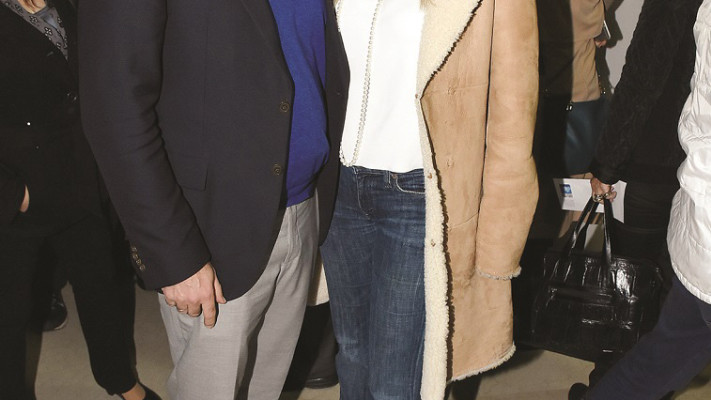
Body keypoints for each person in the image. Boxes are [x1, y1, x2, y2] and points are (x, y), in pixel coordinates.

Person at [77, 0, 349, 398]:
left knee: (265, 389)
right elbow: (113, 106)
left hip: (303, 206)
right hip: (209, 226)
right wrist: (171, 253)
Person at [318, 0, 538, 398]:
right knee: (352, 353)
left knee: (394, 381)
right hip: (340, 185)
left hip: (418, 196)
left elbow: (514, 113)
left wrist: (499, 245)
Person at [0, 0, 159, 399]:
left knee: (101, 287)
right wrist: (14, 194)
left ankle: (120, 381)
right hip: (18, 187)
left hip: (78, 175)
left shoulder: (67, 5)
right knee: (8, 311)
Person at [576, 0, 711, 398]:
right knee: (665, 314)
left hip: (658, 165)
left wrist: (606, 163)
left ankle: (605, 385)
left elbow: (643, 74)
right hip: (684, 170)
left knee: (628, 301)